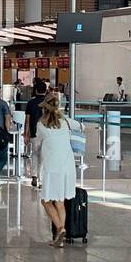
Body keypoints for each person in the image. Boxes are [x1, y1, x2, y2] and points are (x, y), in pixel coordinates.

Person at [37, 91, 77, 245]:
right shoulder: (66, 122)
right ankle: (59, 239)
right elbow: (82, 126)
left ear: (44, 109)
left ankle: (60, 228)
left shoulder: (41, 125)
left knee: (46, 201)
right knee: (60, 202)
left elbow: (38, 142)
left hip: (52, 166)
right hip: (67, 165)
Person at [23, 78, 48, 188]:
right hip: (46, 134)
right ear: (45, 90)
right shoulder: (48, 103)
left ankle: (34, 176)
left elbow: (27, 120)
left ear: (36, 90)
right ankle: (41, 180)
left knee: (34, 154)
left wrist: (26, 134)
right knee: (43, 156)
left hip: (34, 132)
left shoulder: (31, 103)